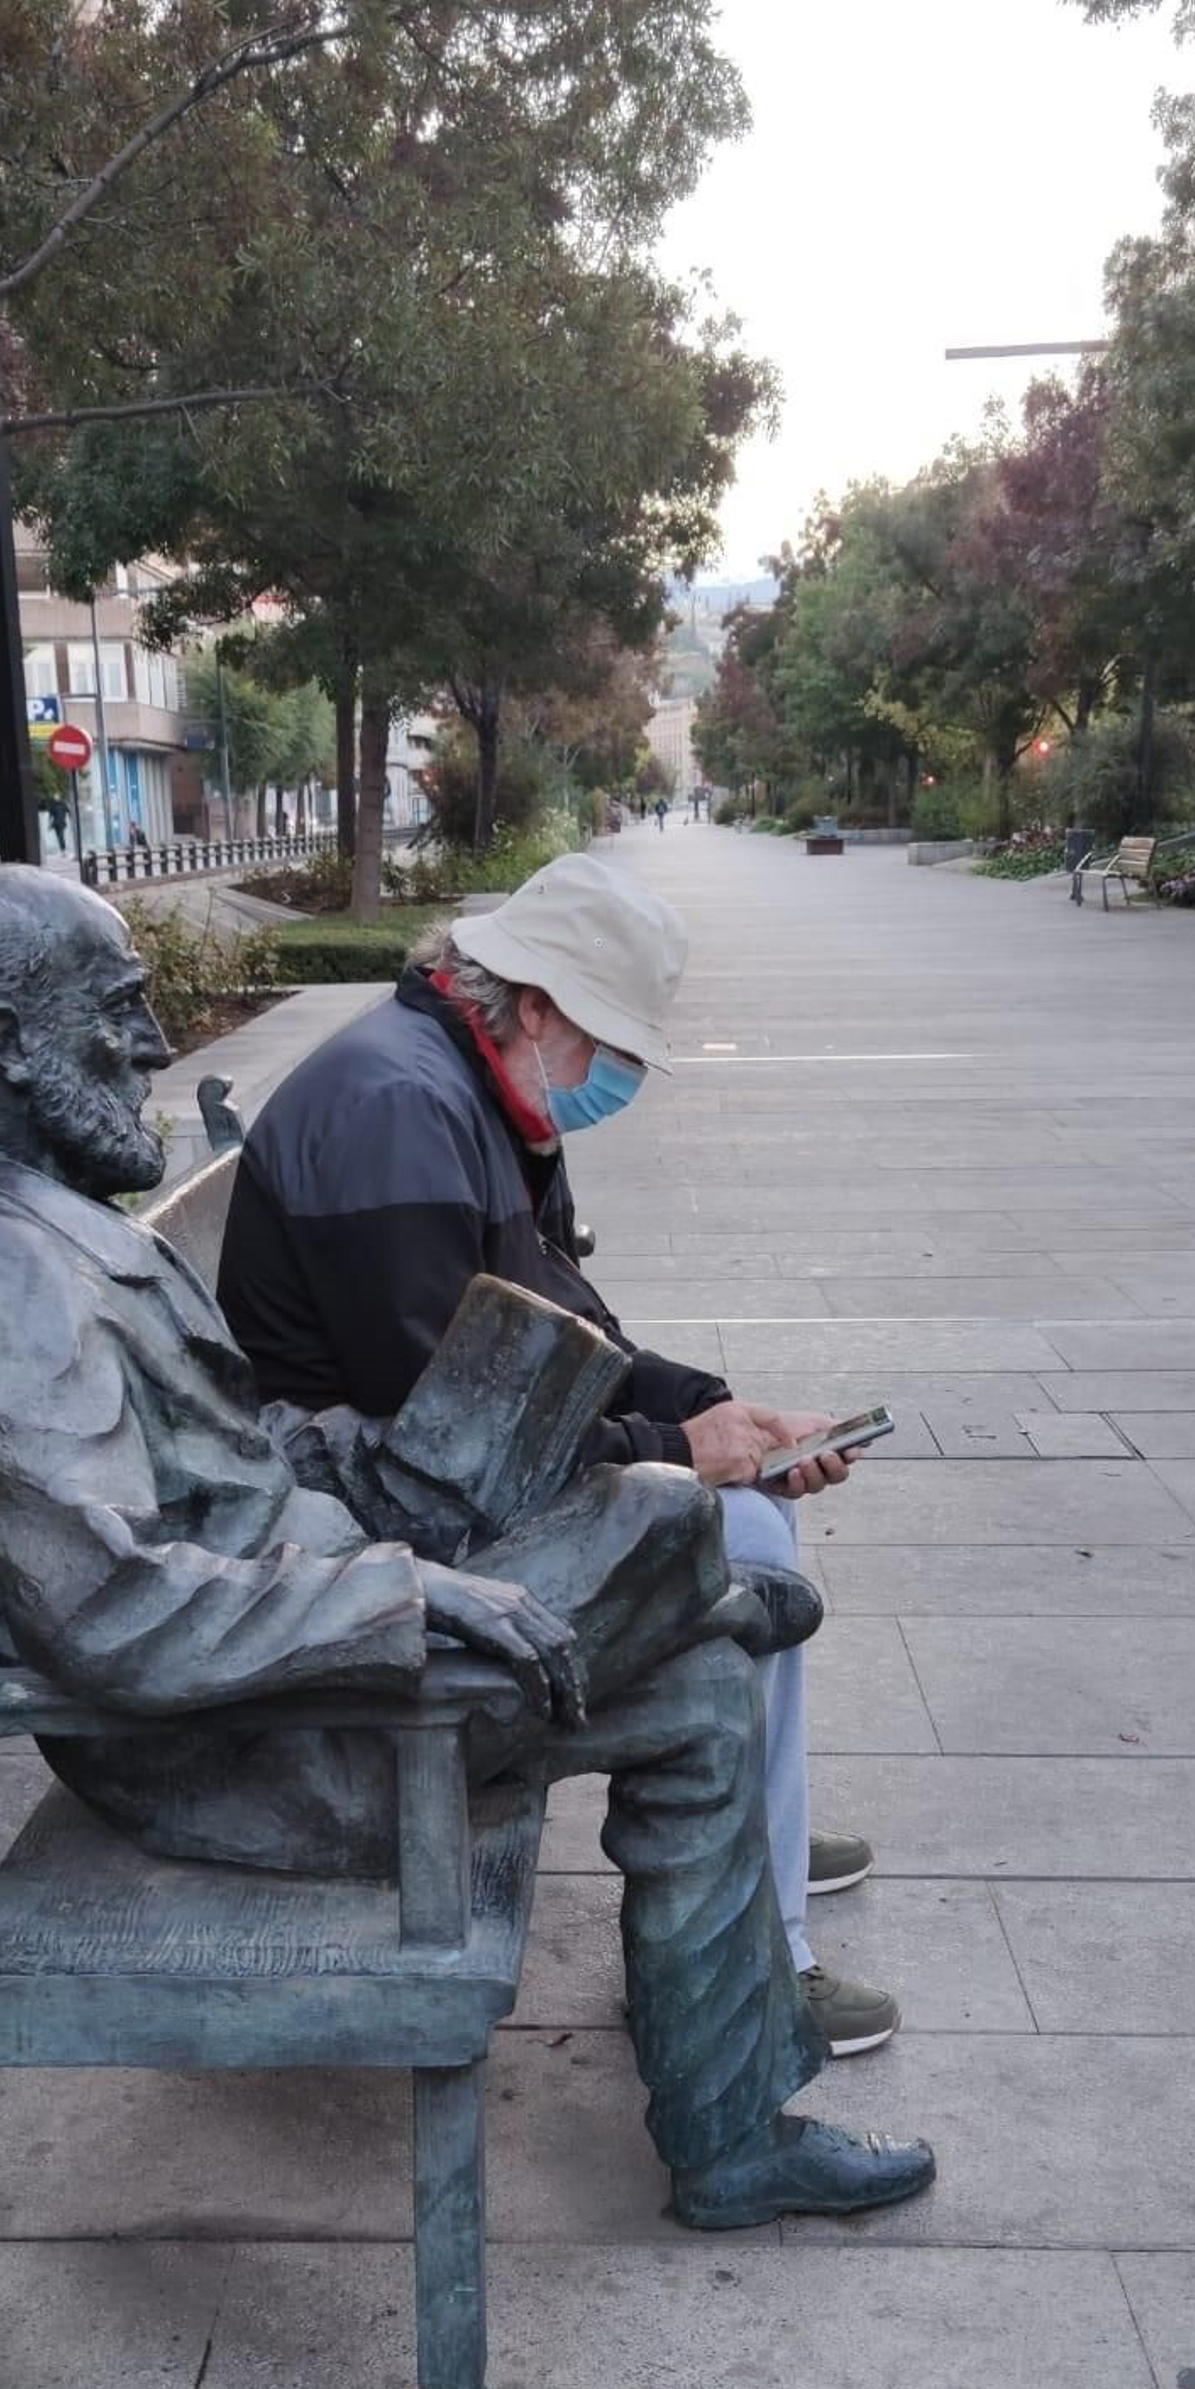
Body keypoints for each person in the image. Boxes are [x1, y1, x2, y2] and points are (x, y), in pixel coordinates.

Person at [0, 867, 933, 2235]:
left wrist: (392, 1476)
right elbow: (110, 1614)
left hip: (293, 1663)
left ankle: (728, 2142)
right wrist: (404, 1590)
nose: (147, 1046)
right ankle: (698, 1602)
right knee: (666, 1517)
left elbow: (236, 1460)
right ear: (8, 1043)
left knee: (705, 1694)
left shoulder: (31, 1234)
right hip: (242, 1744)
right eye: (120, 1015)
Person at [216, 849, 903, 2061]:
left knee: (741, 1508)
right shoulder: (400, 1113)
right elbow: (445, 1428)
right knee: (725, 1536)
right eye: (611, 1046)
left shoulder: (479, 1093)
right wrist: (677, 1455)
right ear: (533, 1007)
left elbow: (565, 1332)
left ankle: (759, 1845)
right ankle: (756, 1954)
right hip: (363, 1524)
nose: (619, 1076)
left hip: (411, 1473)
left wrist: (723, 1412)